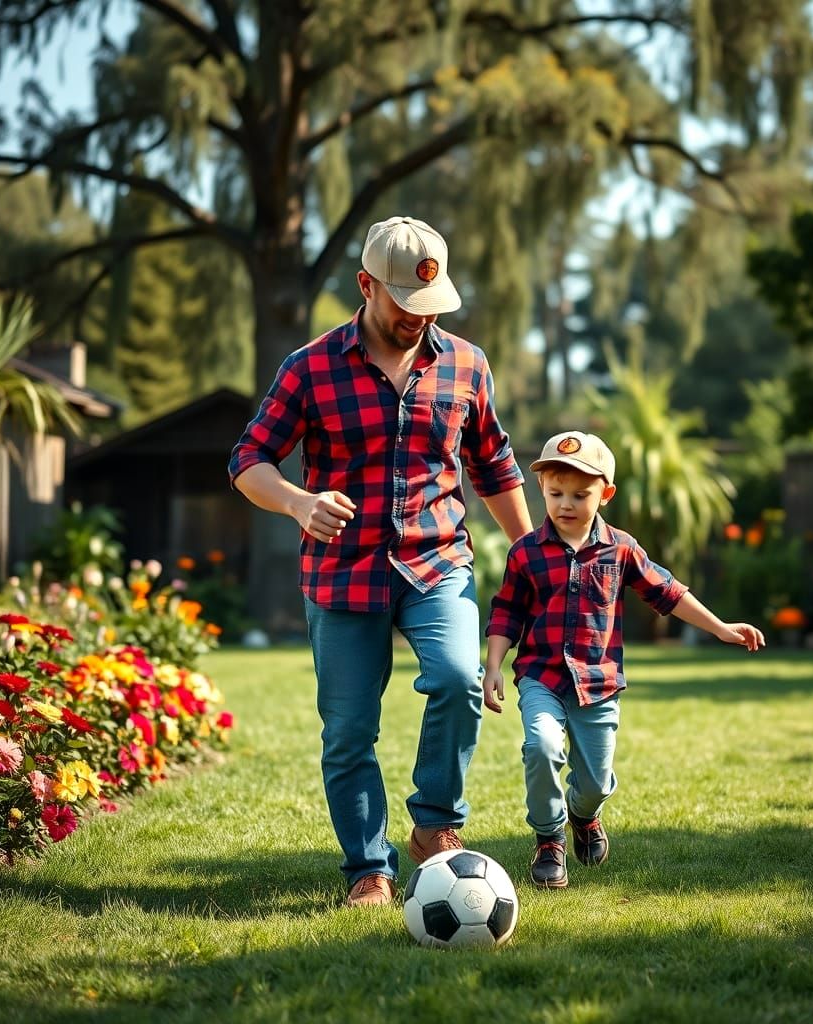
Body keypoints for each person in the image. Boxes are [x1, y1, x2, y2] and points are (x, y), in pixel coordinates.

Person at [229, 216, 532, 907]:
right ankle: (369, 868)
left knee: (458, 681)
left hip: (437, 562)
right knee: (348, 731)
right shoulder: (310, 367)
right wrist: (299, 503)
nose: (418, 318)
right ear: (365, 286)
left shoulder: (465, 364)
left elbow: (494, 466)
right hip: (342, 573)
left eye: (431, 305)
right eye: (403, 303)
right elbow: (248, 460)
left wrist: (531, 559)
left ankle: (434, 826)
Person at [483, 430, 765, 888]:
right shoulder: (526, 553)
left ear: (606, 494)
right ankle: (549, 840)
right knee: (541, 746)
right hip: (541, 677)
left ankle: (584, 814)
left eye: (580, 494)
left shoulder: (621, 549)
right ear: (542, 490)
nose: (566, 504)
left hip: (598, 683)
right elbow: (507, 612)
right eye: (555, 493)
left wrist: (720, 628)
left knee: (594, 781)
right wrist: (494, 665)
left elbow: (668, 593)